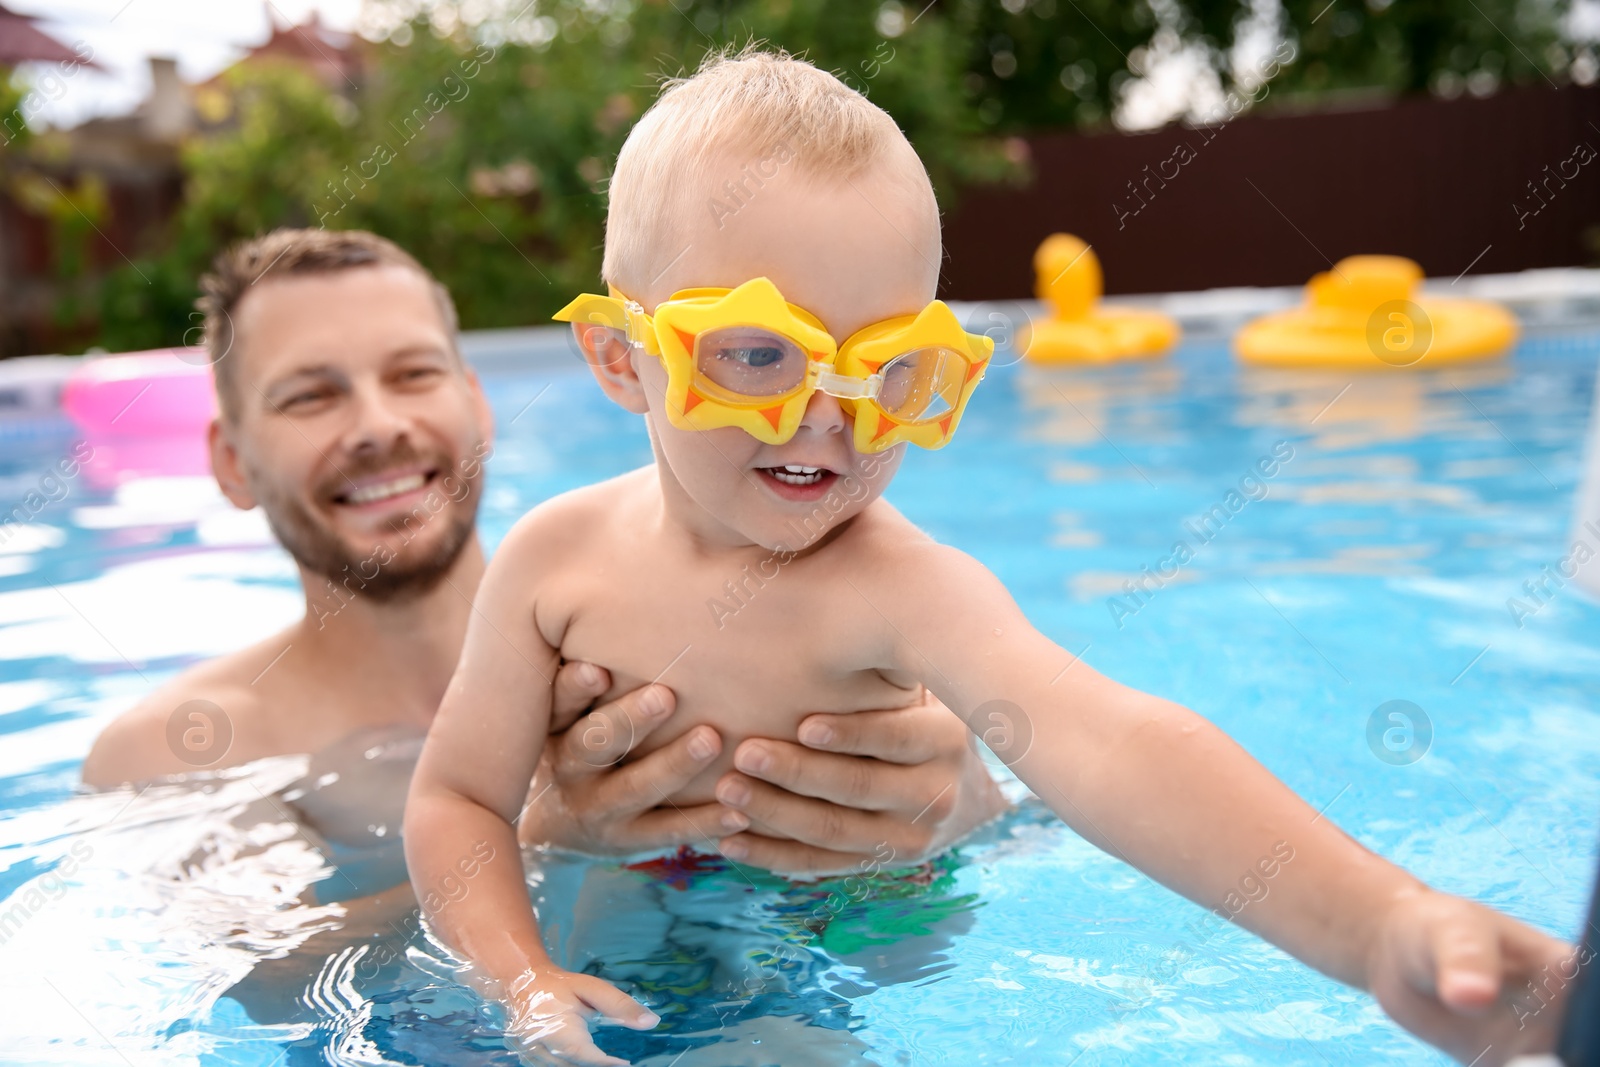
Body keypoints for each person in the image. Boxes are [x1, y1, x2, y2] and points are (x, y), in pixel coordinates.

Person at [403, 48, 1576, 1066]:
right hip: (624, 903)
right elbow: (457, 796)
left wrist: (1382, 926)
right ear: (621, 358)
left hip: (864, 920)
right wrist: (517, 976)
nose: (832, 417)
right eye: (758, 356)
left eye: (893, 369)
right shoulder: (554, 562)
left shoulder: (900, 583)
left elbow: (1114, 743)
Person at [79, 227, 1007, 883]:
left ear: (477, 404)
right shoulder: (178, 750)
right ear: (232, 463)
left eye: (413, 374)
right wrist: (543, 843)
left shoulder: (694, 616)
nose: (381, 426)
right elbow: (272, 983)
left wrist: (960, 806)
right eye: (311, 396)